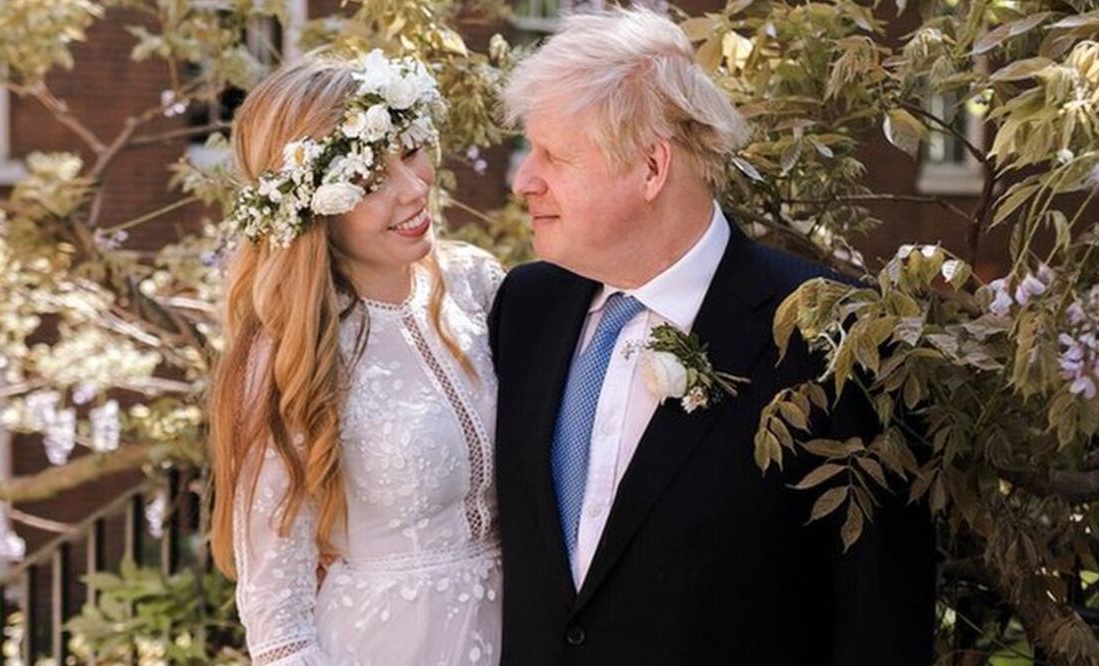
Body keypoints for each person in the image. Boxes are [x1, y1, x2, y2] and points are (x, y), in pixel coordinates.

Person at [489, 8, 935, 665]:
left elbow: (881, 624)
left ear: (651, 168)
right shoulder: (524, 308)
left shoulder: (833, 337)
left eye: (554, 155)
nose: (525, 180)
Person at [207, 50, 504, 665]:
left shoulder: (480, 282)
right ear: (313, 208)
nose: (413, 186)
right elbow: (279, 619)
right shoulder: (290, 353)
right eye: (370, 181)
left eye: (413, 149)